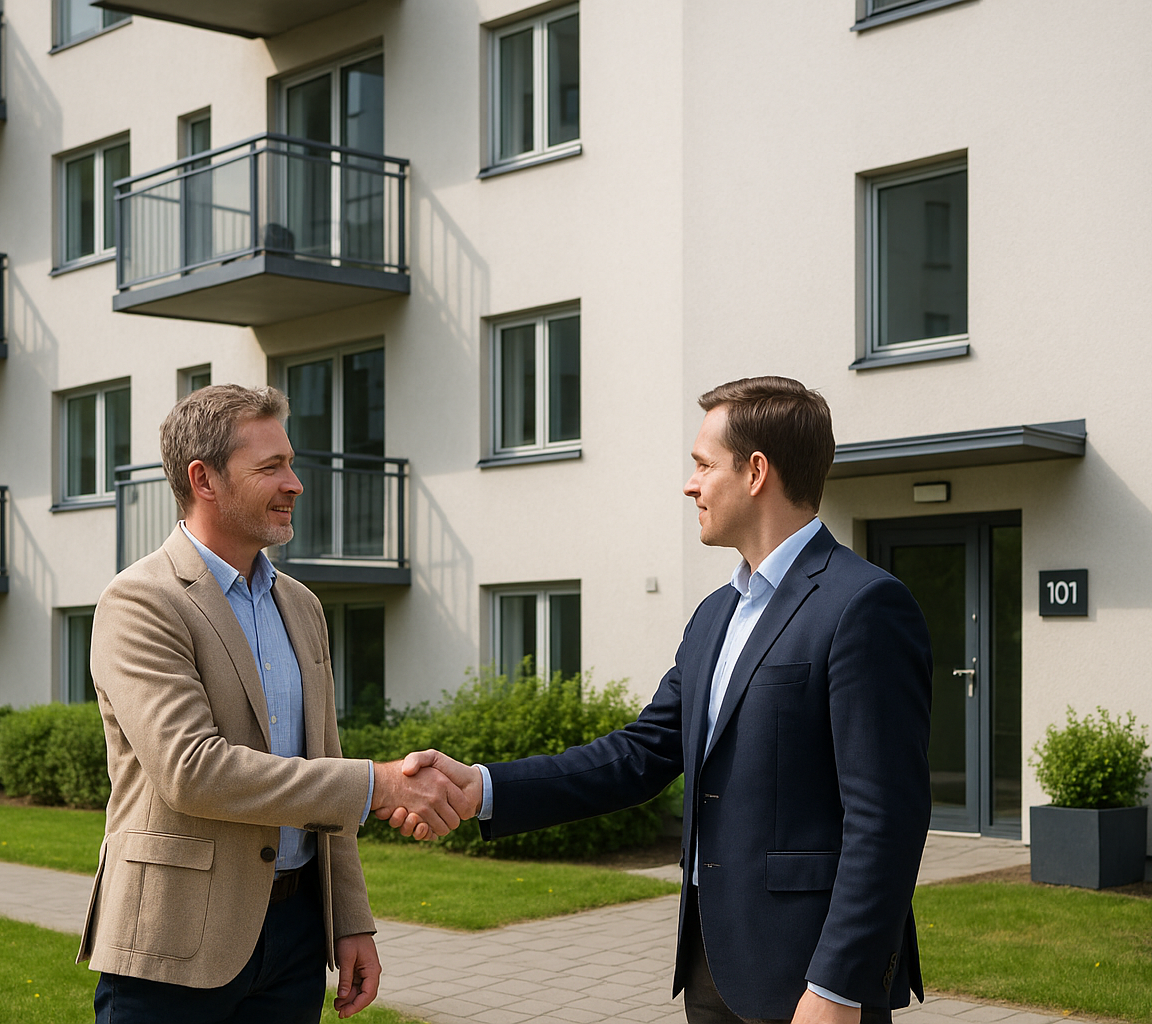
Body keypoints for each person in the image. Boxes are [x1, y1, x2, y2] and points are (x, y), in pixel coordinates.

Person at [393, 376, 934, 1024]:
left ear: (756, 471)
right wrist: (482, 787)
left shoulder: (864, 605)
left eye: (703, 466)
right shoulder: (715, 615)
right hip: (712, 963)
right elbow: (640, 754)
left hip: (809, 975)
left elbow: (886, 819)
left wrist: (839, 987)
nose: (690, 484)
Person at [77, 384, 473, 1024]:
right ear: (203, 479)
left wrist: (351, 920)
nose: (295, 483)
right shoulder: (140, 603)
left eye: (290, 463)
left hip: (294, 937)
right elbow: (192, 772)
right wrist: (380, 785)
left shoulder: (302, 605)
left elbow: (324, 759)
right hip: (175, 940)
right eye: (270, 468)